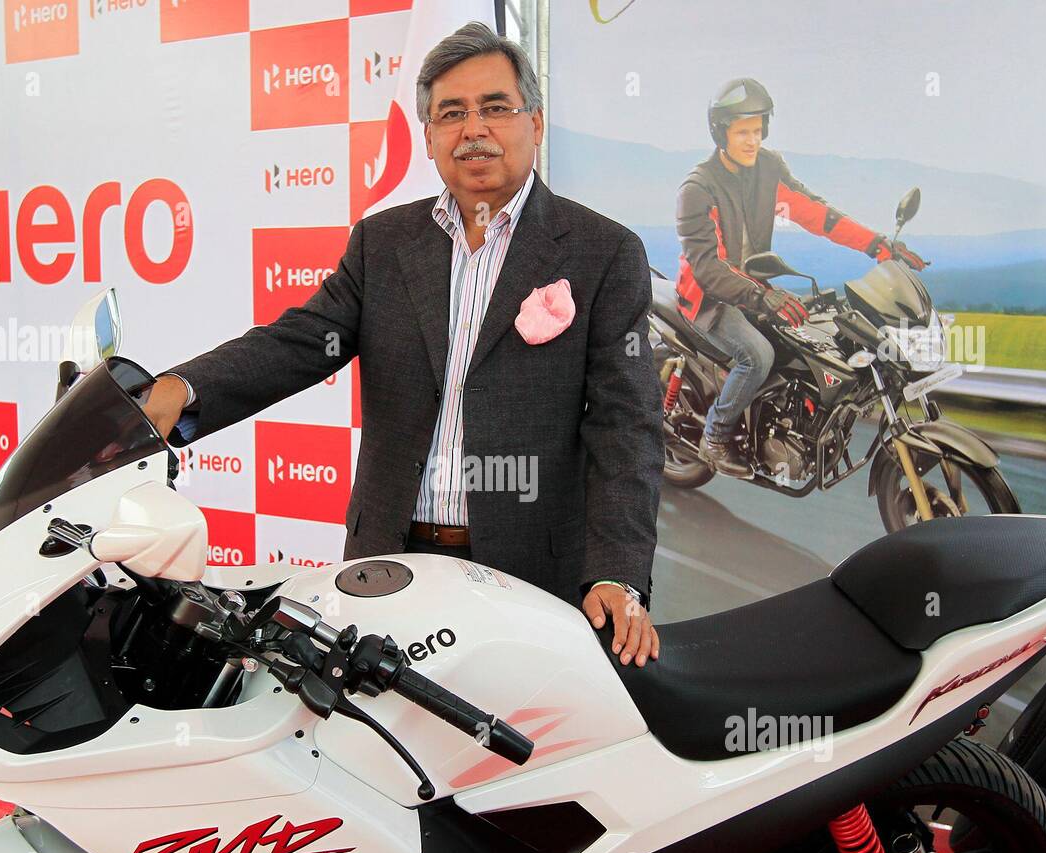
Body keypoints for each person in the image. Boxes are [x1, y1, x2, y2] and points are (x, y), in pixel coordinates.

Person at [144, 22, 664, 666]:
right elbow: (302, 343)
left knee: (514, 754)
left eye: (496, 108)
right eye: (451, 113)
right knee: (374, 750)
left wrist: (617, 571)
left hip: (530, 571)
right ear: (429, 137)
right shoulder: (383, 243)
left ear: (534, 119)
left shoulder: (602, 252)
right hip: (389, 561)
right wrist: (183, 389)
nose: (474, 129)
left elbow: (627, 426)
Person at [676, 77, 928, 477]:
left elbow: (818, 214)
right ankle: (716, 436)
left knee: (815, 335)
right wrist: (764, 297)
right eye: (742, 132)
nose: (751, 140)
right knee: (757, 356)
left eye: (758, 130)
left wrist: (878, 246)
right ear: (720, 132)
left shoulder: (768, 168)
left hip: (755, 288)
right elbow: (709, 266)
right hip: (710, 297)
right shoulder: (698, 188)